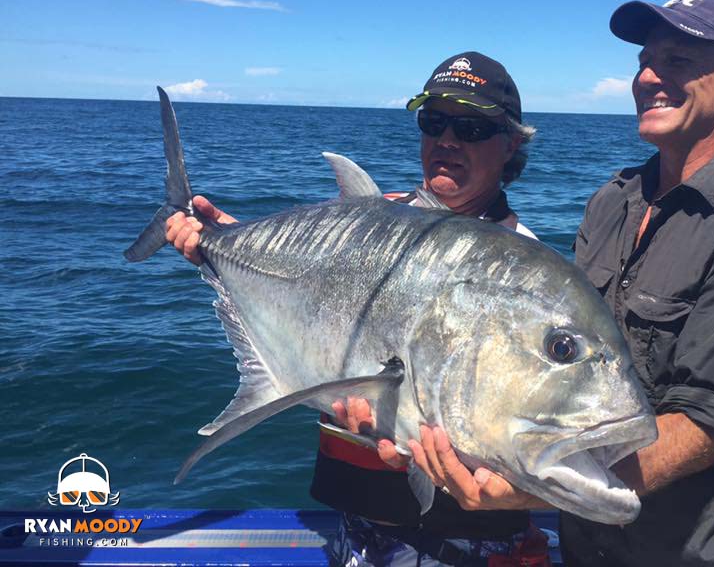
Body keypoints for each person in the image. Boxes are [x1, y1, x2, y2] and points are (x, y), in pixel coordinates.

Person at [401, 0, 714, 566]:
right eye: (644, 60)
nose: (649, 77)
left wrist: (529, 490)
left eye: (678, 61)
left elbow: (709, 424)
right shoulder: (612, 204)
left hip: (711, 551)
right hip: (594, 544)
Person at [164, 51, 551, 566]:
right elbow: (302, 280)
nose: (448, 140)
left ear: (511, 145)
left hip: (458, 545)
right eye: (433, 121)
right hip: (354, 532)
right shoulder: (374, 216)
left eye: (472, 127)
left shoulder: (522, 275)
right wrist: (218, 242)